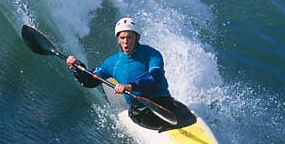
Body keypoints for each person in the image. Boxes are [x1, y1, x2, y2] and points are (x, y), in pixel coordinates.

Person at [65, 17, 196, 131]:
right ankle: (168, 131)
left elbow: (155, 77)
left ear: (137, 38)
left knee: (189, 117)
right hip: (140, 109)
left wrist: (130, 86)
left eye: (130, 37)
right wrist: (77, 67)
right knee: (135, 113)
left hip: (163, 101)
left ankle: (175, 126)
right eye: (122, 38)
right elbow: (90, 81)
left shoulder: (151, 54)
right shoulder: (112, 63)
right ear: (118, 40)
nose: (126, 42)